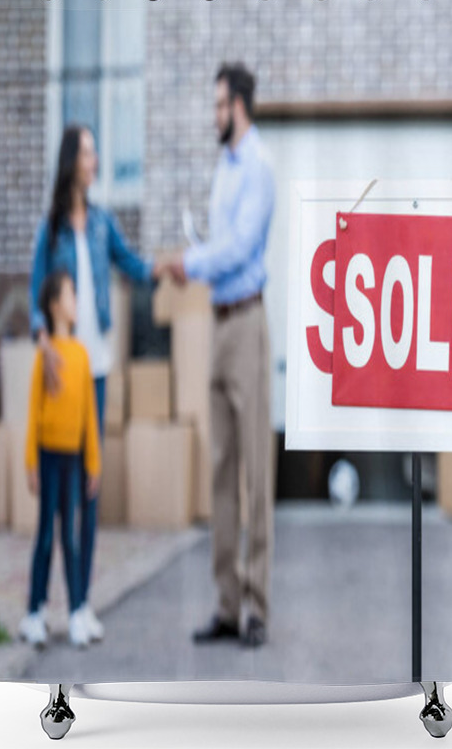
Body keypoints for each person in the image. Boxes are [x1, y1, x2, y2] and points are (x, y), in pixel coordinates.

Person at [28, 124, 176, 642]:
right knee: (58, 495)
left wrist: (164, 268)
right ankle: (44, 607)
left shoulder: (103, 223)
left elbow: (132, 265)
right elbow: (34, 299)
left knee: (90, 487)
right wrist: (42, 343)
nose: (95, 161)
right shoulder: (50, 230)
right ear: (73, 162)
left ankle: (83, 606)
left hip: (95, 370)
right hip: (60, 373)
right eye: (89, 152)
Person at [172, 63, 276, 648]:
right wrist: (196, 258)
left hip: (248, 325)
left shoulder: (258, 168)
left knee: (255, 471)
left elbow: (237, 249)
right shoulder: (223, 169)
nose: (214, 115)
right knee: (220, 469)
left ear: (239, 106)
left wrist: (188, 264)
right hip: (218, 321)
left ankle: (258, 605)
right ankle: (228, 604)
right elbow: (219, 245)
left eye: (218, 105)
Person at [19, 270, 101, 649]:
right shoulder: (46, 354)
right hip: (49, 458)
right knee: (46, 536)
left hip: (73, 460)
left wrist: (94, 464)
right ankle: (34, 613)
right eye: (71, 294)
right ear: (55, 305)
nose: (76, 302)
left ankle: (76, 612)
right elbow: (33, 412)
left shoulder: (82, 354)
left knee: (70, 537)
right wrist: (30, 463)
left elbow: (89, 417)